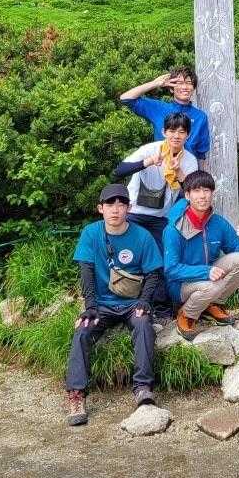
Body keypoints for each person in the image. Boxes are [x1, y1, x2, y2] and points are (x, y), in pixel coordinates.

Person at [64, 183, 163, 427]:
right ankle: (76, 394)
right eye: (110, 204)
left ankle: (142, 387)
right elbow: (86, 271)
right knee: (82, 330)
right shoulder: (90, 233)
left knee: (143, 325)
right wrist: (90, 306)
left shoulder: (142, 236)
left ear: (129, 208)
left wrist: (144, 300)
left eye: (121, 204)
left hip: (132, 303)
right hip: (102, 303)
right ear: (101, 208)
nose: (116, 209)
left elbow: (153, 273)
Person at [163, 170, 239, 340]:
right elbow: (171, 269)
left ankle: (212, 304)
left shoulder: (217, 222)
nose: (202, 196)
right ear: (187, 195)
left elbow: (238, 252)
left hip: (208, 277)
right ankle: (186, 314)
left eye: (206, 190)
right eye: (197, 191)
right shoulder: (174, 228)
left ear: (212, 193)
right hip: (180, 284)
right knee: (213, 285)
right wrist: (206, 272)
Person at [111, 112, 198, 248]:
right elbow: (120, 171)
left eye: (181, 132)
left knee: (164, 253)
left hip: (161, 217)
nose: (176, 136)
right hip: (134, 213)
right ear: (164, 132)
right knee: (128, 252)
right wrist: (149, 161)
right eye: (172, 131)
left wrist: (178, 172)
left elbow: (193, 194)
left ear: (188, 135)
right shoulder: (150, 149)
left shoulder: (190, 160)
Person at [120, 66, 210, 159]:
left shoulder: (201, 117)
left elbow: (201, 152)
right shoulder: (158, 108)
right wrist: (155, 83)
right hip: (160, 164)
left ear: (193, 88)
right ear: (171, 89)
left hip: (187, 166)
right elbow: (126, 98)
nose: (184, 87)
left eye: (189, 83)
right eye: (179, 83)